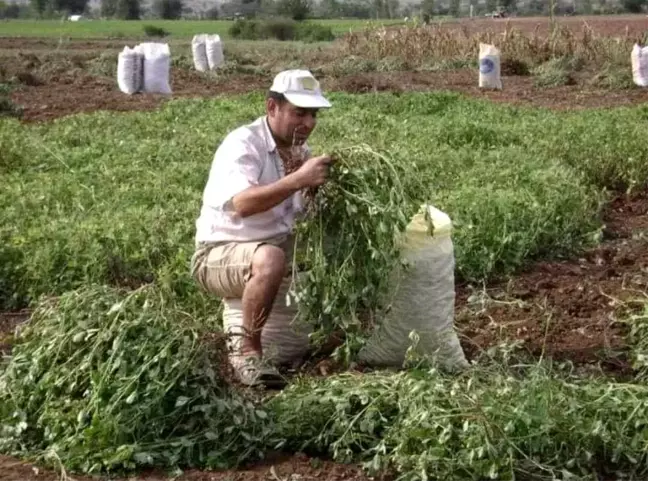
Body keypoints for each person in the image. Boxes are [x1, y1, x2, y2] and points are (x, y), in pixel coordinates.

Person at [191, 69, 333, 387]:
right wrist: (298, 179)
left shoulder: (300, 154)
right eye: (299, 113)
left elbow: (298, 216)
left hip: (272, 246)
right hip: (219, 255)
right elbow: (244, 204)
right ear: (272, 107)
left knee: (335, 249)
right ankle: (248, 353)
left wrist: (316, 193)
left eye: (314, 115)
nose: (308, 123)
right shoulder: (244, 144)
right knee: (270, 259)